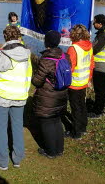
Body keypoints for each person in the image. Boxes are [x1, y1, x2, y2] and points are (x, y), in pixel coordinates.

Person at [0, 26, 32, 170]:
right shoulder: (27, 54)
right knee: (17, 127)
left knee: (0, 129)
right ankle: (17, 159)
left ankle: (2, 161)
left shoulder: (2, 54)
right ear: (19, 37)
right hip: (20, 95)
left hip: (2, 96)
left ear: (5, 37)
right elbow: (28, 74)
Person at [31, 30, 68, 158]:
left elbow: (37, 81)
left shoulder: (46, 60)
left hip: (48, 97)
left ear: (46, 42)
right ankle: (60, 149)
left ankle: (51, 151)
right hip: (61, 94)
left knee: (47, 123)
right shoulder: (64, 56)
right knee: (57, 121)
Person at [65, 24, 94, 139]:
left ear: (74, 35)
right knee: (82, 105)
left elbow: (69, 68)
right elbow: (92, 64)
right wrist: (89, 79)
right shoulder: (90, 46)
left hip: (74, 83)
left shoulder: (73, 49)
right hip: (84, 80)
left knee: (75, 107)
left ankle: (76, 132)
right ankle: (83, 127)